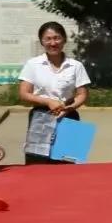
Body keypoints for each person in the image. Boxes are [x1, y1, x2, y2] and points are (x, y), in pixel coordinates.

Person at [16, 21, 89, 164]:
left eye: (57, 38)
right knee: (37, 165)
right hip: (41, 116)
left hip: (70, 115)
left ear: (64, 40)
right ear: (42, 42)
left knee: (69, 166)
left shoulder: (76, 65)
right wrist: (48, 102)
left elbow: (82, 94)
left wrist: (71, 107)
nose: (53, 43)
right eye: (48, 39)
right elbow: (24, 93)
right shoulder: (33, 64)